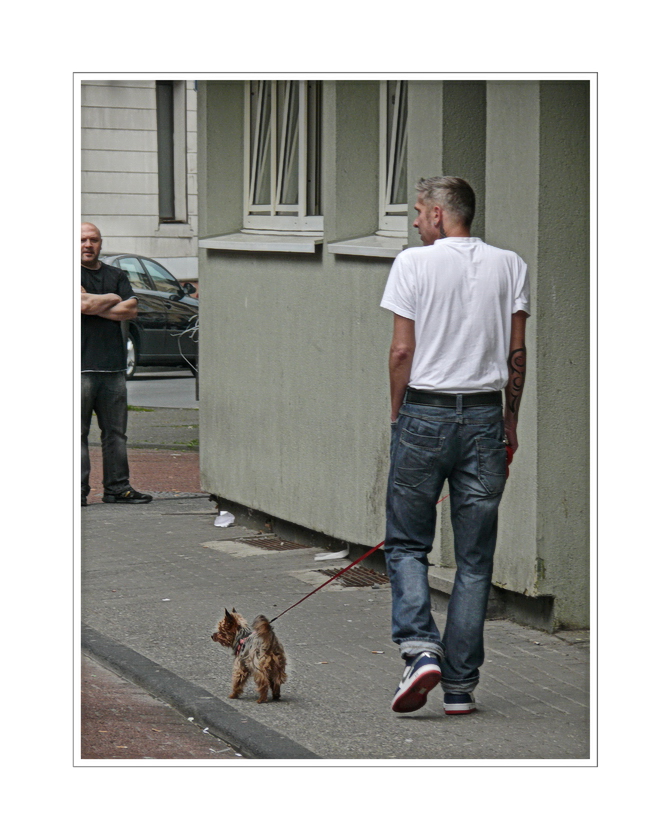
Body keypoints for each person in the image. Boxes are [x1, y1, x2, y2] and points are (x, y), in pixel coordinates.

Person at [380, 176, 529, 715]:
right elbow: (518, 355)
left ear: (440, 215)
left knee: (406, 544)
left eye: (419, 212)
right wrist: (510, 423)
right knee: (473, 560)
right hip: (487, 417)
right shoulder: (511, 264)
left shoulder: (413, 264)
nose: (416, 222)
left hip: (425, 412)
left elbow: (402, 351)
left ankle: (420, 651)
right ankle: (461, 688)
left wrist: (399, 416)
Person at [81, 222, 152, 506]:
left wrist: (93, 301)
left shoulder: (117, 274)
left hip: (114, 369)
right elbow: (81, 307)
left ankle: (117, 488)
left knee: (116, 434)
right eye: (82, 240)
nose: (88, 245)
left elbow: (131, 309)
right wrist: (112, 299)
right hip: (78, 368)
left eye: (93, 240)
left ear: (101, 243)